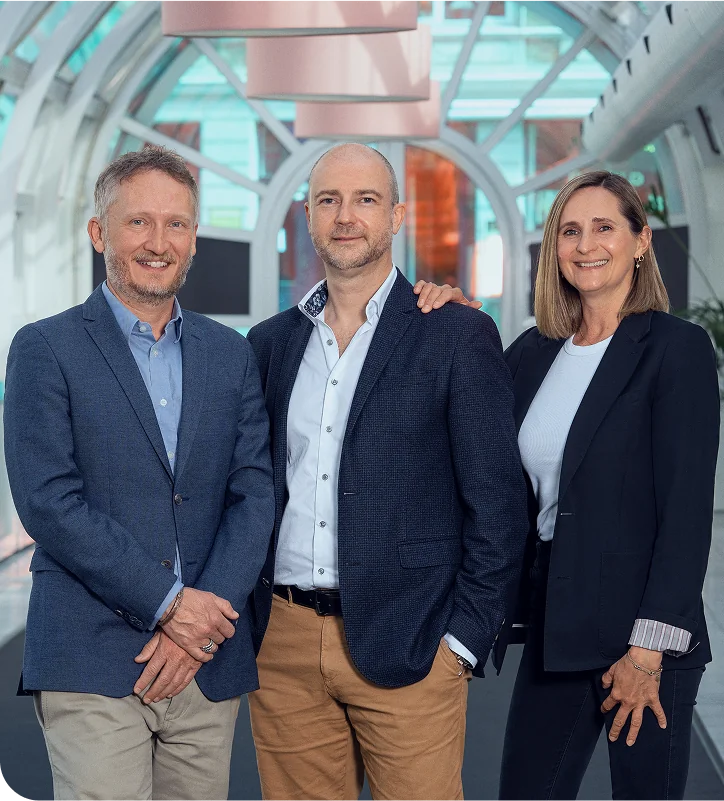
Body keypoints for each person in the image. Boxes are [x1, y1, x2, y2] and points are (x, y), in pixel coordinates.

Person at [245, 143, 529, 801]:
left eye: (365, 199)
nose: (346, 216)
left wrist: (462, 641)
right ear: (309, 217)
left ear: (397, 215)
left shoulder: (455, 333)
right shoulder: (270, 344)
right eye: (329, 200)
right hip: (284, 642)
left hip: (414, 639)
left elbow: (498, 504)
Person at [3, 146, 275, 801]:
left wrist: (200, 624)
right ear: (99, 233)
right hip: (91, 655)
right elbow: (48, 502)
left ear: (194, 239)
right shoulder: (45, 348)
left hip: (204, 660)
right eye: (138, 222)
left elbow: (254, 493)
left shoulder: (230, 354)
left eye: (176, 223)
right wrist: (171, 606)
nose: (159, 242)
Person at [494, 171, 719, 800]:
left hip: (645, 634)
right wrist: (444, 313)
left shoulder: (676, 349)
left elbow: (686, 512)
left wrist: (646, 651)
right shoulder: (533, 352)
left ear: (640, 241)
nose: (586, 245)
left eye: (603, 227)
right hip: (557, 624)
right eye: (570, 231)